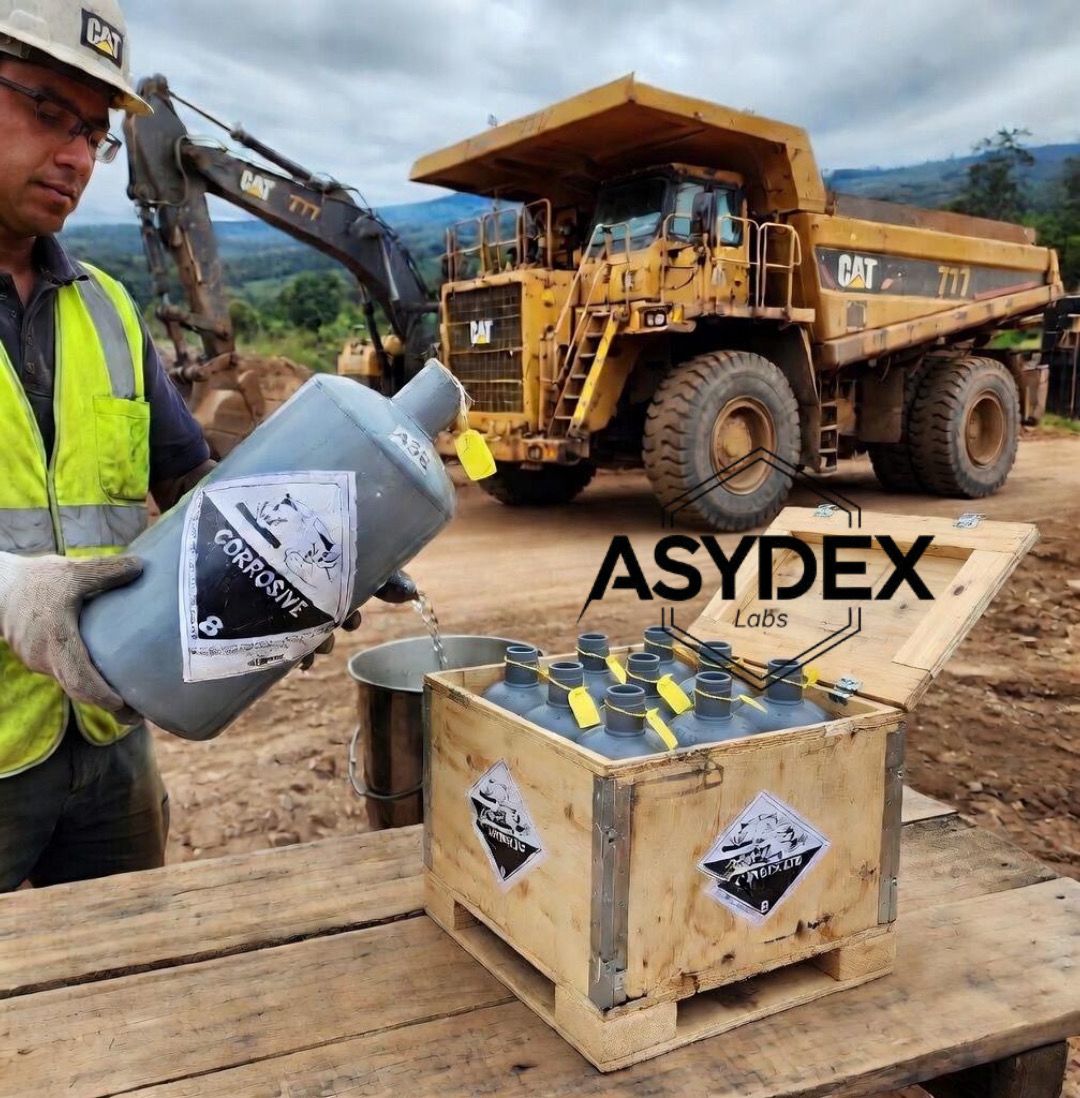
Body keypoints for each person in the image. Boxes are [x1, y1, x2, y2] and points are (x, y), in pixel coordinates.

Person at [0, 1, 403, 892]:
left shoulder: (107, 310)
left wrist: (320, 539)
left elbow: (193, 481)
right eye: (49, 111)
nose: (76, 156)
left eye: (94, 134)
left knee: (128, 962)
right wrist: (7, 589)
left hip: (107, 733)